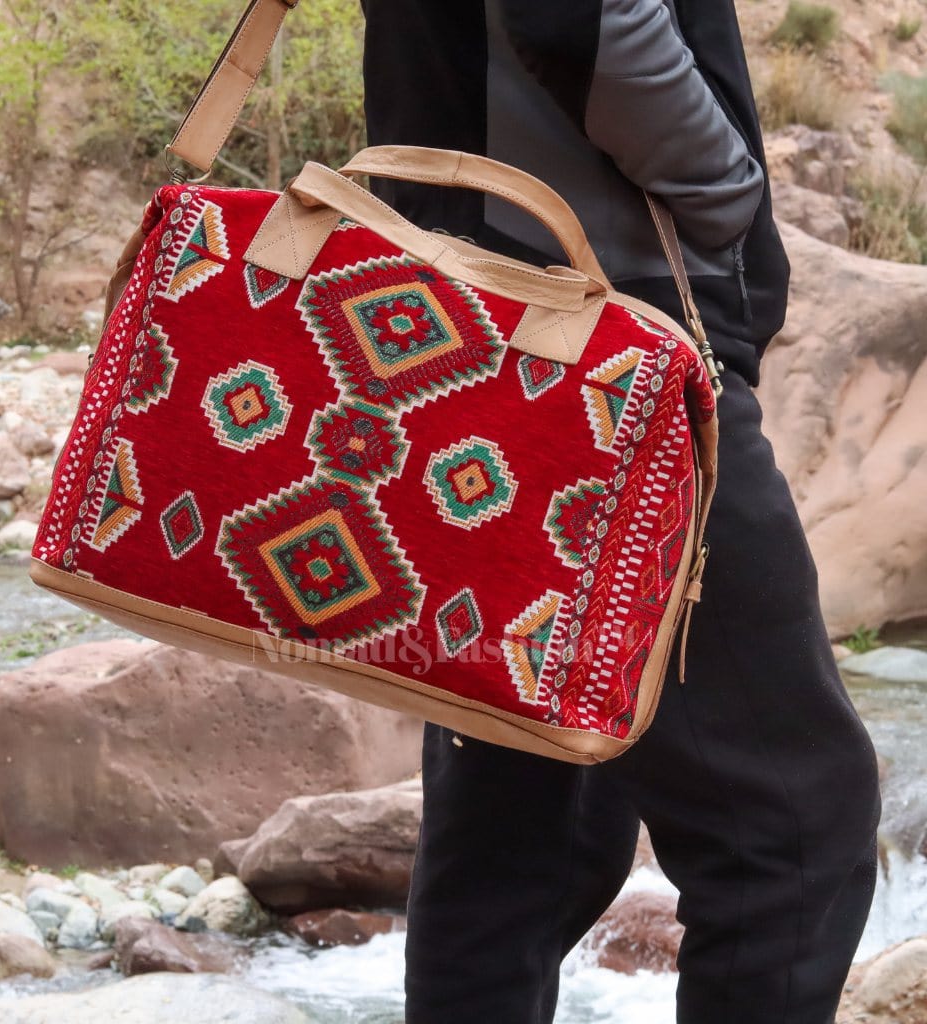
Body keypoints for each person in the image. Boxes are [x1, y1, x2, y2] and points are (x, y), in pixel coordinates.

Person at [358, 2, 882, 1022]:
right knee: (791, 827)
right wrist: (725, 196)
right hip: (607, 351)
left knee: (524, 832)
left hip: (460, 337)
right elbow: (579, 16)